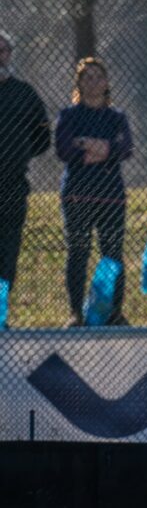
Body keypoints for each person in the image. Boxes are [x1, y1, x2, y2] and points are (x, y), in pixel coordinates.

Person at [55, 57, 133, 326]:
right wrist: (104, 148)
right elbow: (64, 149)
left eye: (98, 76)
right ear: (79, 83)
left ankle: (113, 312)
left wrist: (91, 145)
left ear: (107, 82)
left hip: (110, 196)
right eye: (87, 77)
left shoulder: (116, 117)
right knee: (78, 252)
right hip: (77, 195)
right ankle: (76, 313)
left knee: (112, 253)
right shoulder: (69, 116)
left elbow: (126, 148)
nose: (93, 82)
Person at [0, 30, 50, 328]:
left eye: (3, 51)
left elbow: (43, 136)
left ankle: (0, 315)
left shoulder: (24, 93)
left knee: (7, 252)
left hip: (13, 186)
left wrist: (18, 152)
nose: (0, 57)